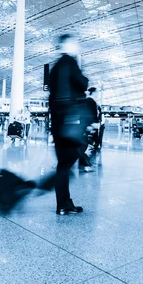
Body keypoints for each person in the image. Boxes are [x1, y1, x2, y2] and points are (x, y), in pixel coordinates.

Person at [49, 33, 88, 215]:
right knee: (70, 158)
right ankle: (63, 201)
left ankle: (63, 203)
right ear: (67, 45)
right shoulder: (70, 62)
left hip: (57, 122)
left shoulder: (55, 67)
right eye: (74, 43)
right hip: (70, 121)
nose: (77, 46)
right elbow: (83, 83)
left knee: (63, 164)